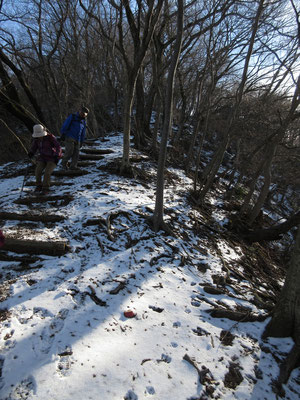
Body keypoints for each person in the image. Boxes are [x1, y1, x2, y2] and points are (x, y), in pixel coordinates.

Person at [28, 124, 62, 194]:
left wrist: (57, 156)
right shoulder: (36, 140)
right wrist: (31, 153)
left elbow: (58, 147)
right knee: (38, 171)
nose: (39, 136)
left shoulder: (50, 138)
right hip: (43, 158)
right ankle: (39, 186)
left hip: (52, 158)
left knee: (47, 173)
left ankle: (46, 188)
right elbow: (34, 148)